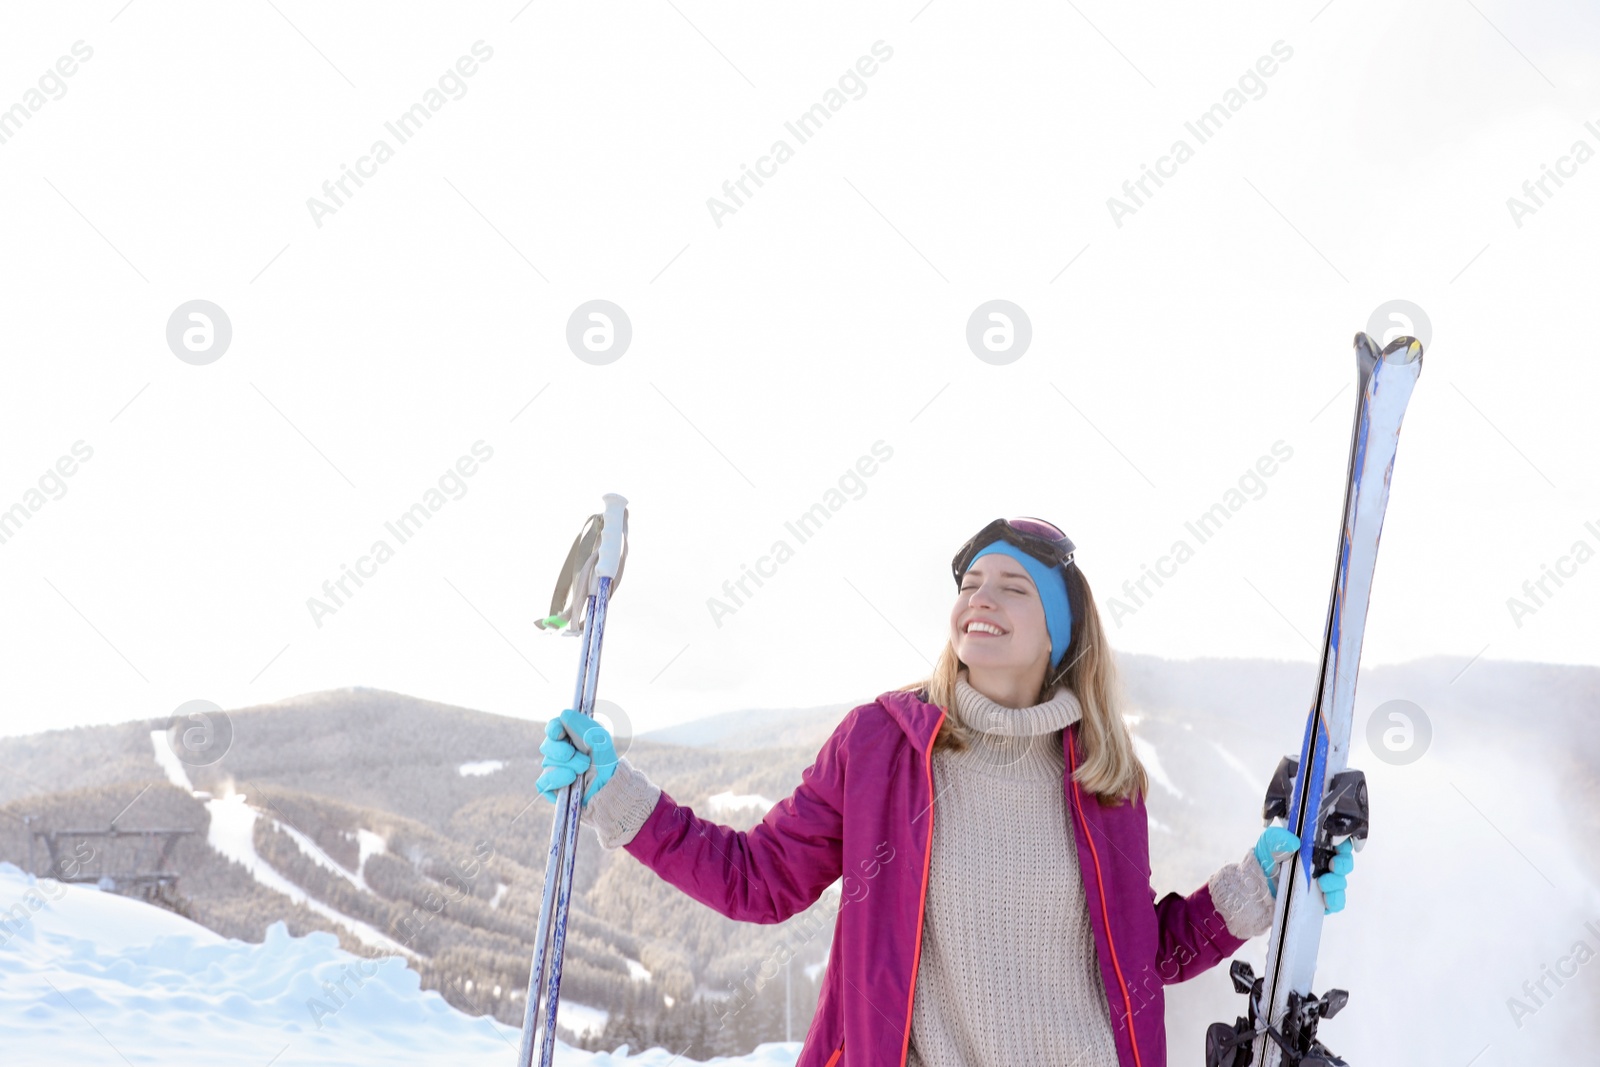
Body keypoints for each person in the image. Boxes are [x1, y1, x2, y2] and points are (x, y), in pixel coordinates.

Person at [537, 516, 1356, 1067]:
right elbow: (758, 879)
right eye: (971, 581)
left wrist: (1252, 891)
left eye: (1012, 585)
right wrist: (616, 794)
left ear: (1059, 631)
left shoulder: (1105, 779)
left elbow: (1133, 956)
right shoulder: (880, 747)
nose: (980, 596)